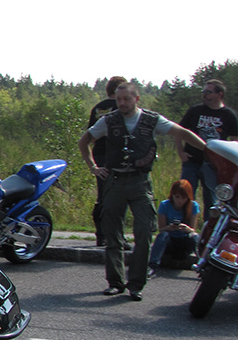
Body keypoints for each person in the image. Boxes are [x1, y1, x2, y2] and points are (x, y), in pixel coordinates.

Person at [79, 82, 207, 301]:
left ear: (136, 99)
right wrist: (93, 167)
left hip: (140, 183)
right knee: (113, 234)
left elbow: (182, 132)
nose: (122, 103)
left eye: (126, 99)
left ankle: (136, 284)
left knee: (145, 232)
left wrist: (209, 151)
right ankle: (115, 282)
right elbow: (84, 141)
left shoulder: (152, 120)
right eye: (119, 99)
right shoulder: (108, 121)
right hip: (115, 181)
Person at [175, 78, 238, 211]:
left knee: (212, 199)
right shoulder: (195, 111)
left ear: (219, 94)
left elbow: (235, 142)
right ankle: (183, 223)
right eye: (203, 91)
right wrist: (181, 152)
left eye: (208, 92)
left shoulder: (228, 115)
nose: (204, 94)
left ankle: (209, 223)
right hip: (191, 160)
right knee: (184, 196)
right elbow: (179, 131)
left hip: (214, 164)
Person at [88, 76, 128, 246]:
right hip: (116, 155)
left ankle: (101, 234)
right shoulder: (122, 108)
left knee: (102, 195)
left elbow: (90, 135)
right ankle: (117, 235)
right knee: (119, 197)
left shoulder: (98, 108)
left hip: (99, 154)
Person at [148, 179, 200, 276]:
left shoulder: (193, 206)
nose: (180, 201)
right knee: (163, 235)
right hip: (171, 241)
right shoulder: (165, 205)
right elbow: (161, 229)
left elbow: (193, 229)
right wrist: (169, 227)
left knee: (195, 236)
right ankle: (153, 265)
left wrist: (186, 229)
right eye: (177, 197)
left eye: (183, 198)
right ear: (172, 195)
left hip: (184, 241)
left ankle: (202, 263)